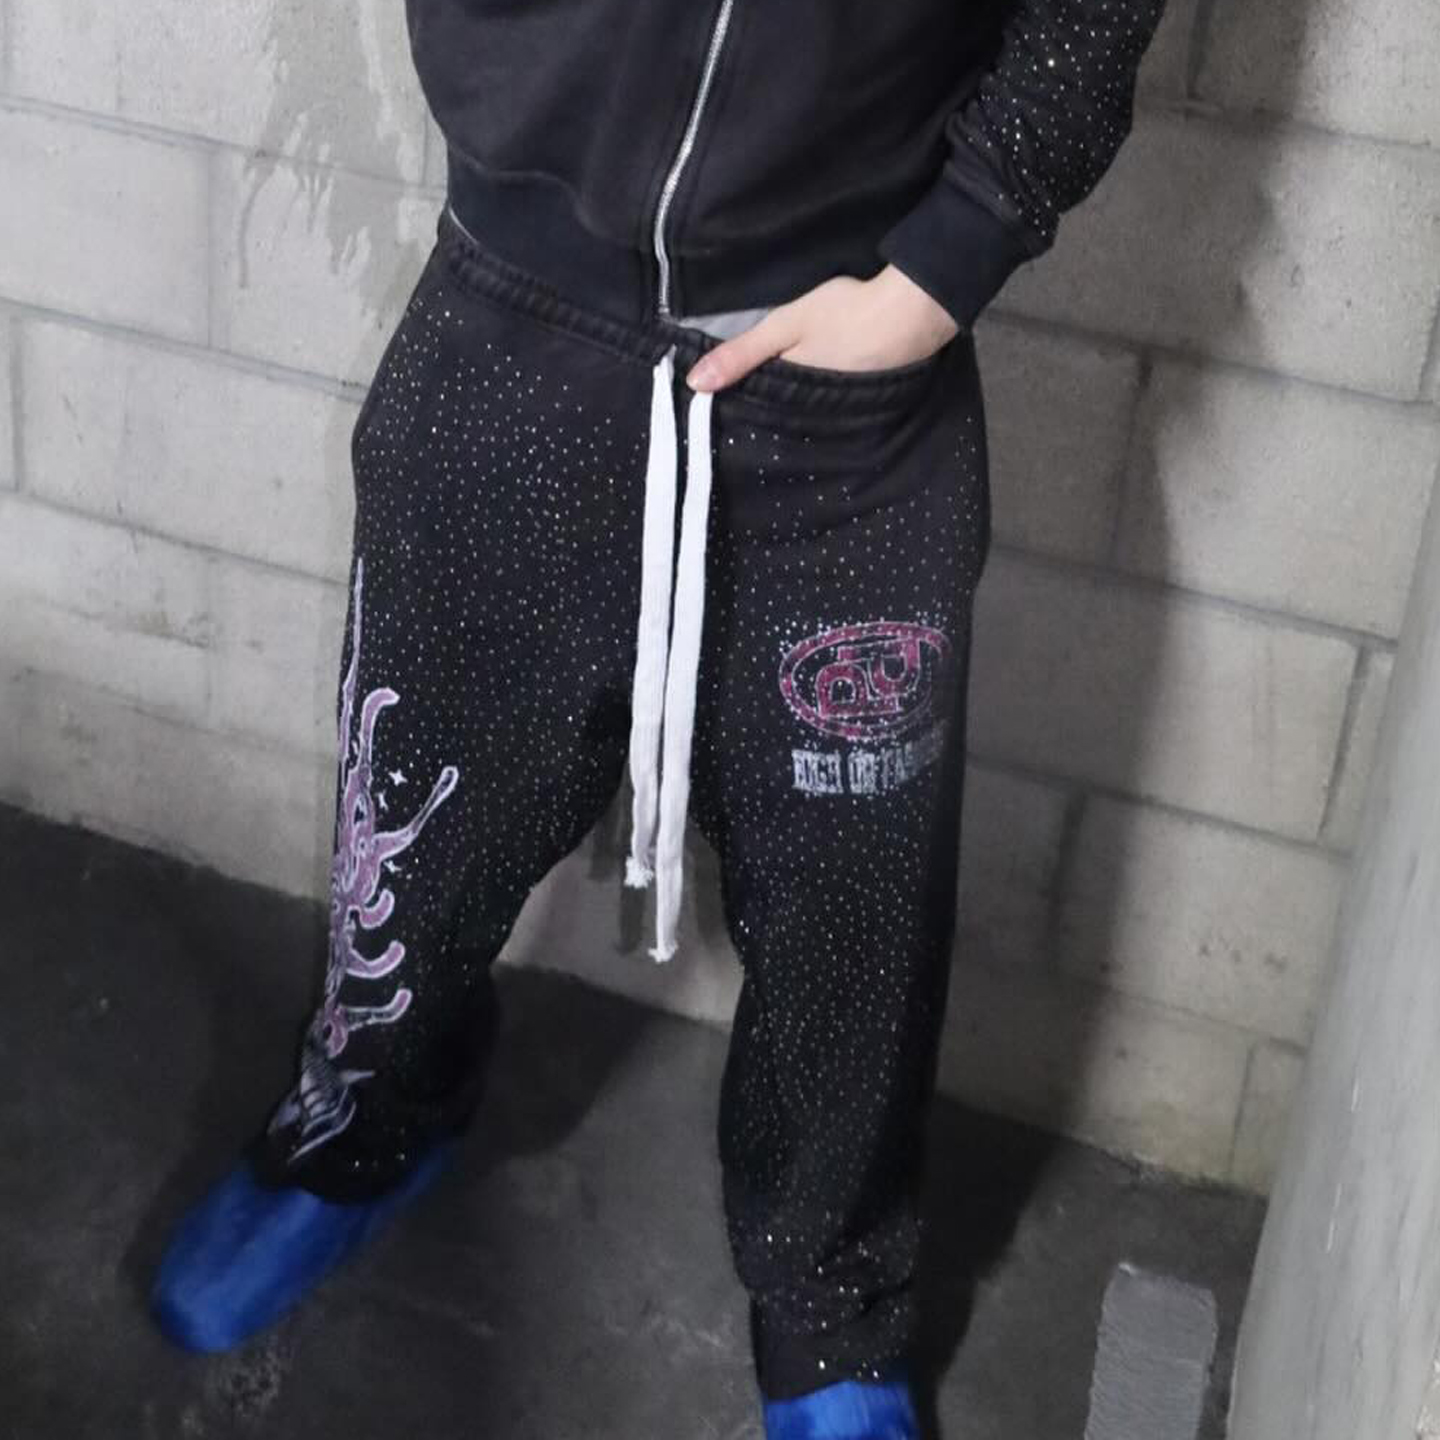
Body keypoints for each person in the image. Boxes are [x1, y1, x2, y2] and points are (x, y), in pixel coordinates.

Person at [150, 0, 1167, 1433]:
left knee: (851, 918)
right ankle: (363, 1126)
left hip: (846, 396)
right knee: (416, 818)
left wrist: (949, 259)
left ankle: (830, 1306)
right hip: (513, 309)